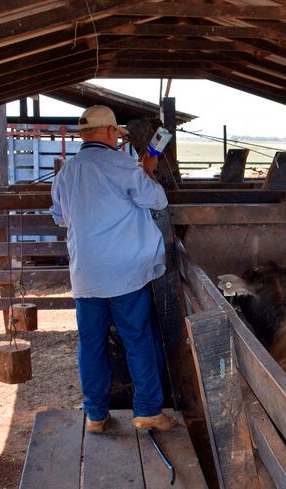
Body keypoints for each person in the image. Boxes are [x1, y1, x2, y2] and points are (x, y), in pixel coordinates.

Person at [50, 105, 176, 433]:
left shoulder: (66, 172)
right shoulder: (123, 166)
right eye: (117, 135)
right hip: (125, 275)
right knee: (137, 339)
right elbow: (158, 200)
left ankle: (95, 415)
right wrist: (146, 171)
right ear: (109, 132)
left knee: (91, 345)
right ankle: (147, 411)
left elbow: (60, 217)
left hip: (86, 276)